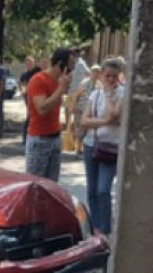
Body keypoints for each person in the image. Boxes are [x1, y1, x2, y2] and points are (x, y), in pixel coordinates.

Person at [79, 58, 124, 235]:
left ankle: (105, 228)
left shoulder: (122, 93)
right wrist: (103, 121)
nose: (110, 80)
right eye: (107, 76)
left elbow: (114, 115)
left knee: (103, 189)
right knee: (91, 189)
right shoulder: (94, 94)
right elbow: (84, 121)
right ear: (101, 75)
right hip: (91, 145)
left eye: (114, 76)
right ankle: (96, 227)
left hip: (111, 147)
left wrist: (107, 94)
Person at [25, 48, 76, 181]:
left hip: (55, 137)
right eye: (70, 65)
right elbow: (41, 109)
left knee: (52, 185)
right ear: (60, 65)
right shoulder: (39, 80)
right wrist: (61, 89)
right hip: (40, 139)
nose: (72, 69)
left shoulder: (58, 82)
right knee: (36, 185)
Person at [71, 64, 101, 155]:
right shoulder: (85, 82)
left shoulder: (99, 84)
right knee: (80, 128)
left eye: (98, 72)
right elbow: (76, 95)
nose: (96, 74)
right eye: (94, 72)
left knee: (88, 130)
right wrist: (73, 106)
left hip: (91, 111)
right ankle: (78, 149)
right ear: (91, 72)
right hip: (81, 109)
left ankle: (85, 148)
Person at [19, 57, 42, 145]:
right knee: (30, 116)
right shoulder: (25, 74)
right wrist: (22, 91)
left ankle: (35, 136)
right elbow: (21, 84)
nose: (29, 64)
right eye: (27, 63)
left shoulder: (37, 72)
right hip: (28, 97)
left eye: (31, 63)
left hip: (37, 97)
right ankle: (25, 138)